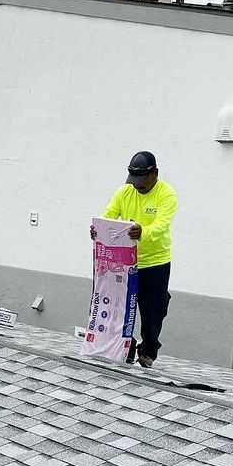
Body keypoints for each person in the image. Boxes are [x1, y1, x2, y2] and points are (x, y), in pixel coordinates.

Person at [91, 151, 178, 368]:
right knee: (122, 306)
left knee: (153, 308)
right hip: (126, 260)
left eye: (142, 181)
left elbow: (161, 225)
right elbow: (110, 215)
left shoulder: (166, 194)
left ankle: (148, 349)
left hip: (155, 261)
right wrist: (98, 230)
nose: (138, 186)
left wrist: (144, 231)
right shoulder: (125, 191)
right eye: (134, 181)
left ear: (155, 174)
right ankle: (125, 346)